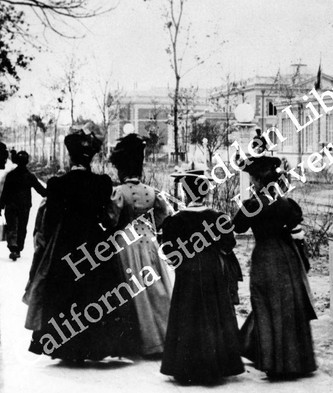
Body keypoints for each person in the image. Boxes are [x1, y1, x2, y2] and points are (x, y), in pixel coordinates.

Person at [24, 129, 131, 361]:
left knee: (64, 292)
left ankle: (65, 346)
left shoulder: (57, 185)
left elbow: (50, 221)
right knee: (95, 291)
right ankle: (95, 345)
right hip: (94, 244)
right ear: (90, 159)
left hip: (64, 245)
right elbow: (107, 219)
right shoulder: (101, 183)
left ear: (70, 158)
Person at [233, 156, 317, 379]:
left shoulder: (253, 204)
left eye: (252, 179)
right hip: (288, 258)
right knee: (290, 308)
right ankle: (297, 362)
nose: (251, 182)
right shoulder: (287, 204)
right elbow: (295, 227)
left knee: (265, 307)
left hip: (265, 257)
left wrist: (248, 201)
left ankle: (273, 362)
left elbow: (238, 227)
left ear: (258, 181)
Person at [160, 169, 244, 384]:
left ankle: (186, 366)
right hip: (212, 268)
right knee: (213, 311)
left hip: (187, 269)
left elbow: (168, 250)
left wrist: (181, 258)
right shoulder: (217, 217)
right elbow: (229, 244)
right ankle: (215, 364)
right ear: (205, 192)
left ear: (185, 193)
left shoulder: (175, 219)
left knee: (188, 313)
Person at [107, 133, 174, 356]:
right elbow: (165, 216)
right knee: (156, 290)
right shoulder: (152, 192)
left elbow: (112, 220)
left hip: (125, 243)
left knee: (130, 291)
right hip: (149, 241)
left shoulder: (119, 192)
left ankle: (137, 340)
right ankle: (162, 337)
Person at [0, 151, 46, 261]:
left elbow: (5, 191)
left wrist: (1, 205)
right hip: (24, 206)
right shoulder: (30, 176)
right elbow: (41, 190)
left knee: (11, 226)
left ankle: (13, 248)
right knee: (22, 227)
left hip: (11, 205)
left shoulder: (11, 175)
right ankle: (18, 248)